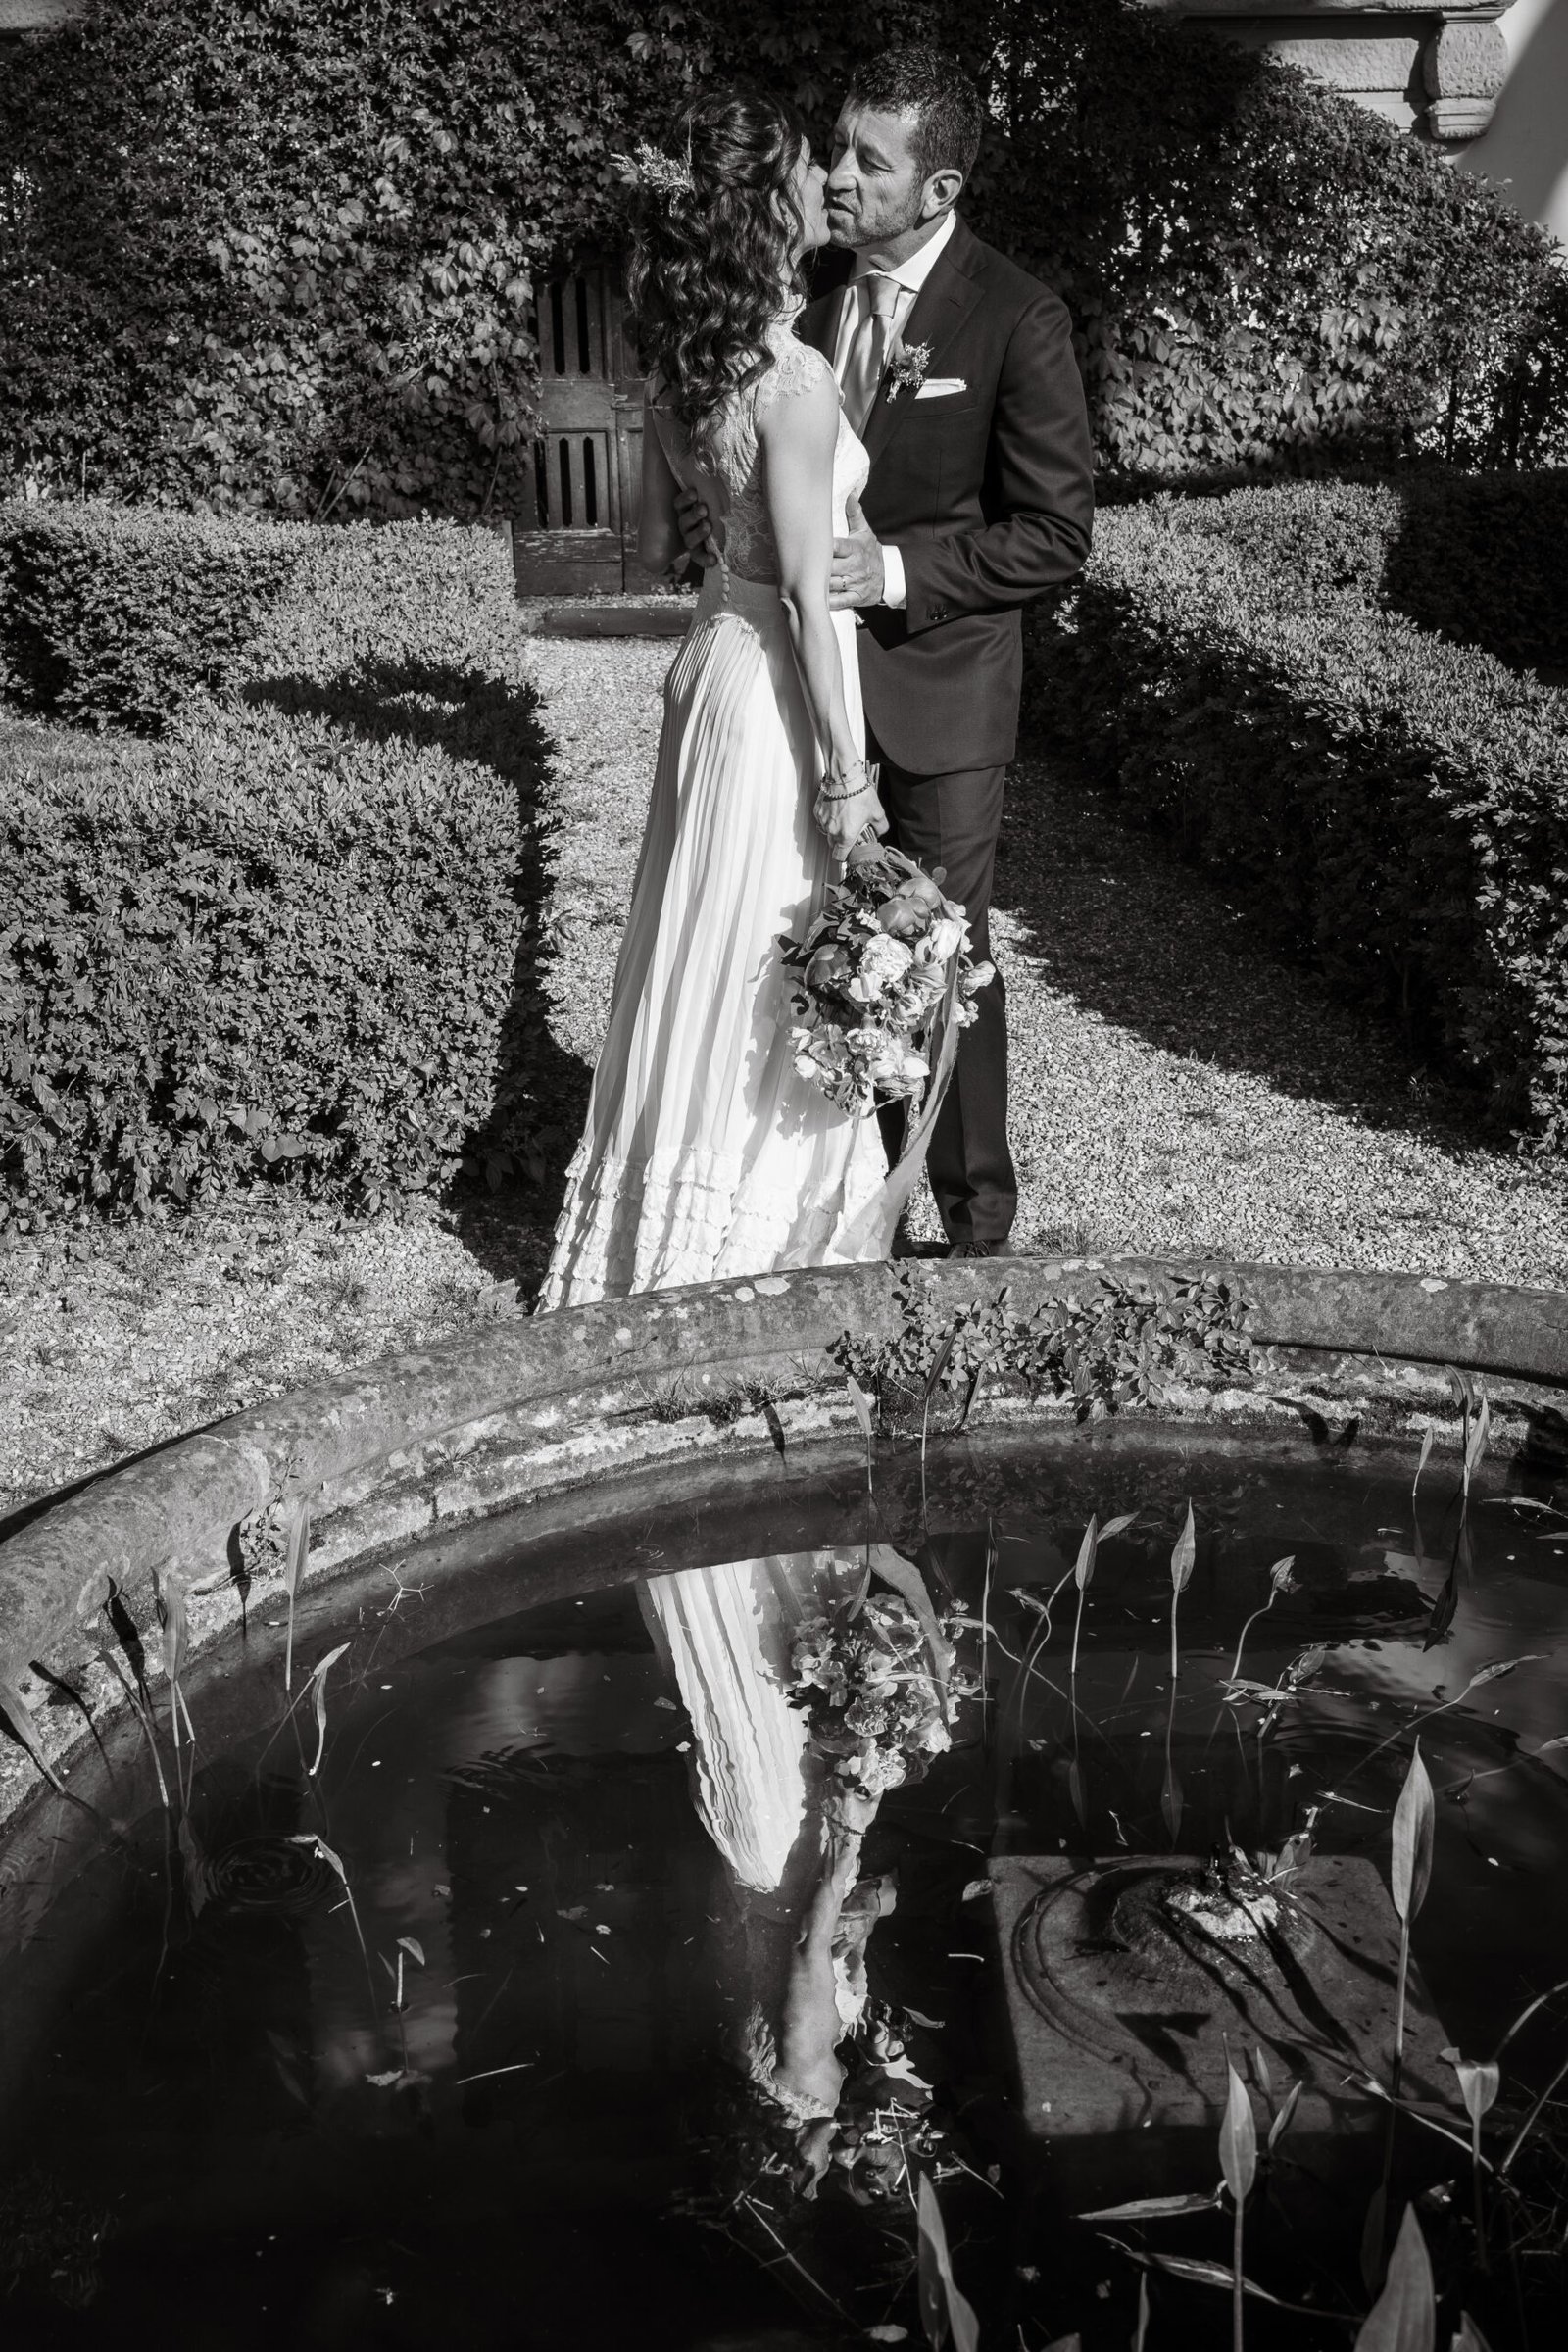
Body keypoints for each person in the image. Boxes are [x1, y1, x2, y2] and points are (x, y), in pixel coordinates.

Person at [676, 46, 1095, 1258]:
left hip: (942, 698)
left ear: (940, 186)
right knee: (822, 945)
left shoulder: (1015, 314)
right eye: (839, 152)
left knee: (932, 951)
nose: (840, 178)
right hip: (810, 696)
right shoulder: (809, 312)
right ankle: (852, 1203)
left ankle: (972, 1226)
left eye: (871, 161)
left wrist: (897, 572)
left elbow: (1055, 534)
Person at [539, 90, 891, 1311]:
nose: (827, 185)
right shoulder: (791, 381)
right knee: (763, 944)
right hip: (770, 685)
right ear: (770, 210)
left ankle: (655, 1221)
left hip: (708, 660)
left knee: (702, 937)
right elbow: (803, 594)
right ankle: (749, 1255)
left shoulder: (694, 364)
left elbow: (698, 548)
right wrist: (847, 774)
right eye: (809, 171)